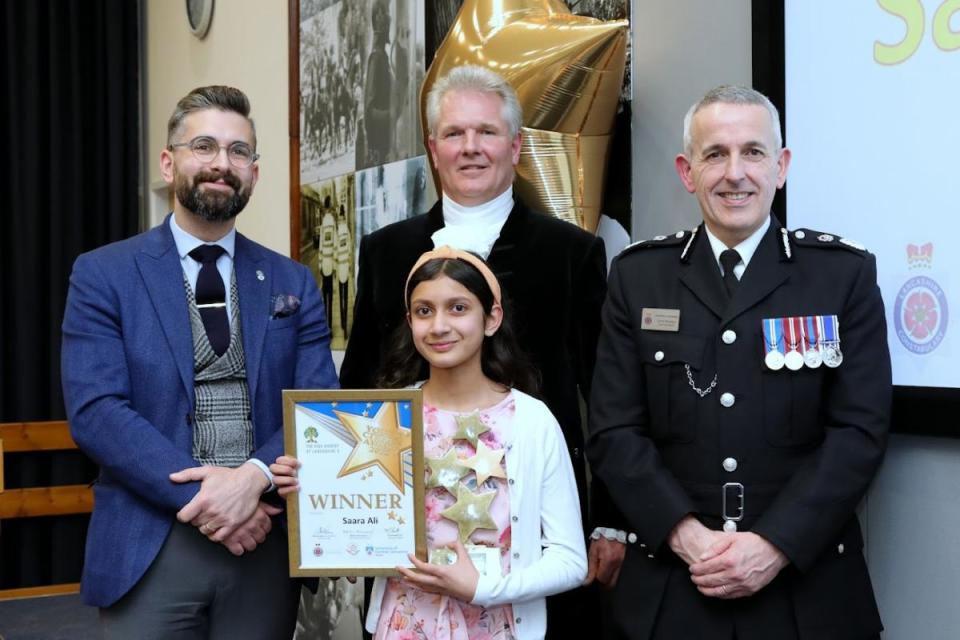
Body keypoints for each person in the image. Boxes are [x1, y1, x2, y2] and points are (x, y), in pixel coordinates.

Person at [587, 85, 891, 639]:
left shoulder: (842, 275)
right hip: (675, 590)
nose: (735, 173)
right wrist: (689, 538)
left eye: (753, 152)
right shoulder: (638, 276)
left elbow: (859, 431)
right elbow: (613, 430)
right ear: (686, 171)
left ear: (782, 167)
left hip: (806, 592)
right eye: (714, 154)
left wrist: (774, 544)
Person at [61, 85, 338, 638]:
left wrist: (253, 477)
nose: (222, 163)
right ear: (170, 162)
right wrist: (212, 498)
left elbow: (318, 406)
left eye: (239, 152)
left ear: (254, 173)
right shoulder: (103, 275)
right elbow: (96, 411)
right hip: (151, 541)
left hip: (263, 543)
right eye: (204, 146)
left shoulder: (292, 281)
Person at [273, 247, 588, 640]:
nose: (439, 326)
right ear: (410, 321)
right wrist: (312, 500)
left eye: (458, 308)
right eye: (424, 311)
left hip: (496, 628)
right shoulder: (384, 417)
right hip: (401, 626)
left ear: (492, 318)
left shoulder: (531, 421)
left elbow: (571, 560)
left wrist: (484, 590)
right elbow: (354, 536)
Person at [335, 203, 352, 336]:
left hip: (340, 266)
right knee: (345, 295)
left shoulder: (338, 232)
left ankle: (343, 323)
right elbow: (350, 249)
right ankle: (345, 326)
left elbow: (335, 251)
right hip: (345, 266)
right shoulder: (347, 231)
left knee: (341, 295)